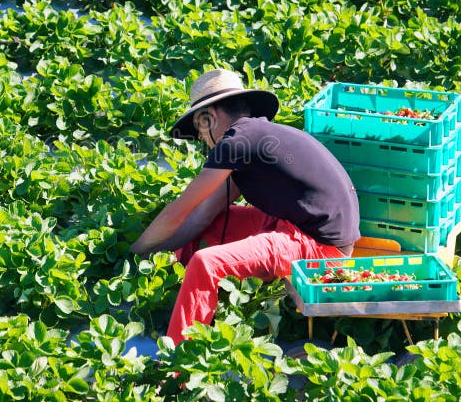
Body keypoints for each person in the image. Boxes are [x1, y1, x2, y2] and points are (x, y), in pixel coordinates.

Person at [130, 68, 360, 344]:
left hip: (319, 247)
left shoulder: (238, 141)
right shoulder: (254, 138)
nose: (201, 139)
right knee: (214, 223)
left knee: (207, 262)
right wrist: (157, 255)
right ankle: (180, 300)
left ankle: (180, 360)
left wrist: (135, 252)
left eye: (200, 129)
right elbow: (202, 215)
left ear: (211, 117)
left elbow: (178, 210)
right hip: (293, 226)